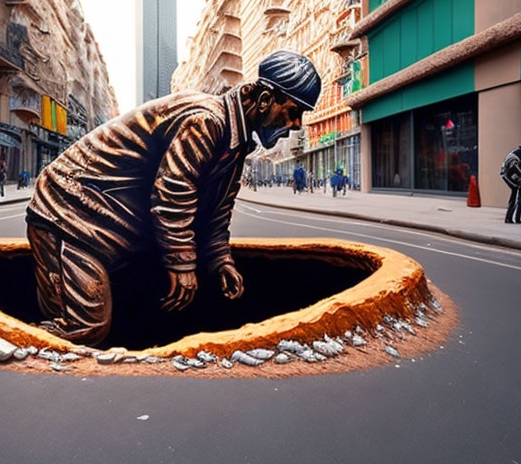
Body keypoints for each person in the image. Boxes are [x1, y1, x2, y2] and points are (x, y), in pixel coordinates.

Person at [26, 49, 321, 345]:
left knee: (138, 308)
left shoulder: (235, 143)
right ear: (265, 99)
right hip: (69, 212)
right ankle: (6, 345)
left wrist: (221, 261)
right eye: (293, 112)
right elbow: (172, 193)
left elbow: (216, 213)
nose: (296, 125)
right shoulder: (207, 121)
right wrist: (182, 265)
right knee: (85, 328)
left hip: (111, 223)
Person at [500, 145, 521, 223]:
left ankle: (512, 217)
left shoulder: (516, 158)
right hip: (506, 175)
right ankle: (511, 218)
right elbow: (518, 170)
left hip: (510, 176)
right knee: (516, 191)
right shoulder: (514, 159)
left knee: (517, 192)